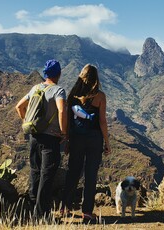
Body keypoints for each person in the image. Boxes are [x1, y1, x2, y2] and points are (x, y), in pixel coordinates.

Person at [15, 59, 67, 219]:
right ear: (59, 74)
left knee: (35, 172)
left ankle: (32, 210)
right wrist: (64, 132)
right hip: (50, 139)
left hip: (34, 137)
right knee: (47, 175)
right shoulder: (58, 91)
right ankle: (42, 214)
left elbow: (19, 106)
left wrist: (26, 122)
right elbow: (61, 110)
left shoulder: (35, 88)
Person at [61, 64, 111, 221]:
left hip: (76, 138)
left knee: (73, 173)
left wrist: (68, 140)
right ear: (96, 78)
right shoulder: (100, 96)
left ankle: (65, 208)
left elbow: (69, 120)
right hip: (94, 139)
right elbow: (102, 121)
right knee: (91, 175)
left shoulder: (73, 95)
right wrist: (107, 142)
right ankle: (87, 212)